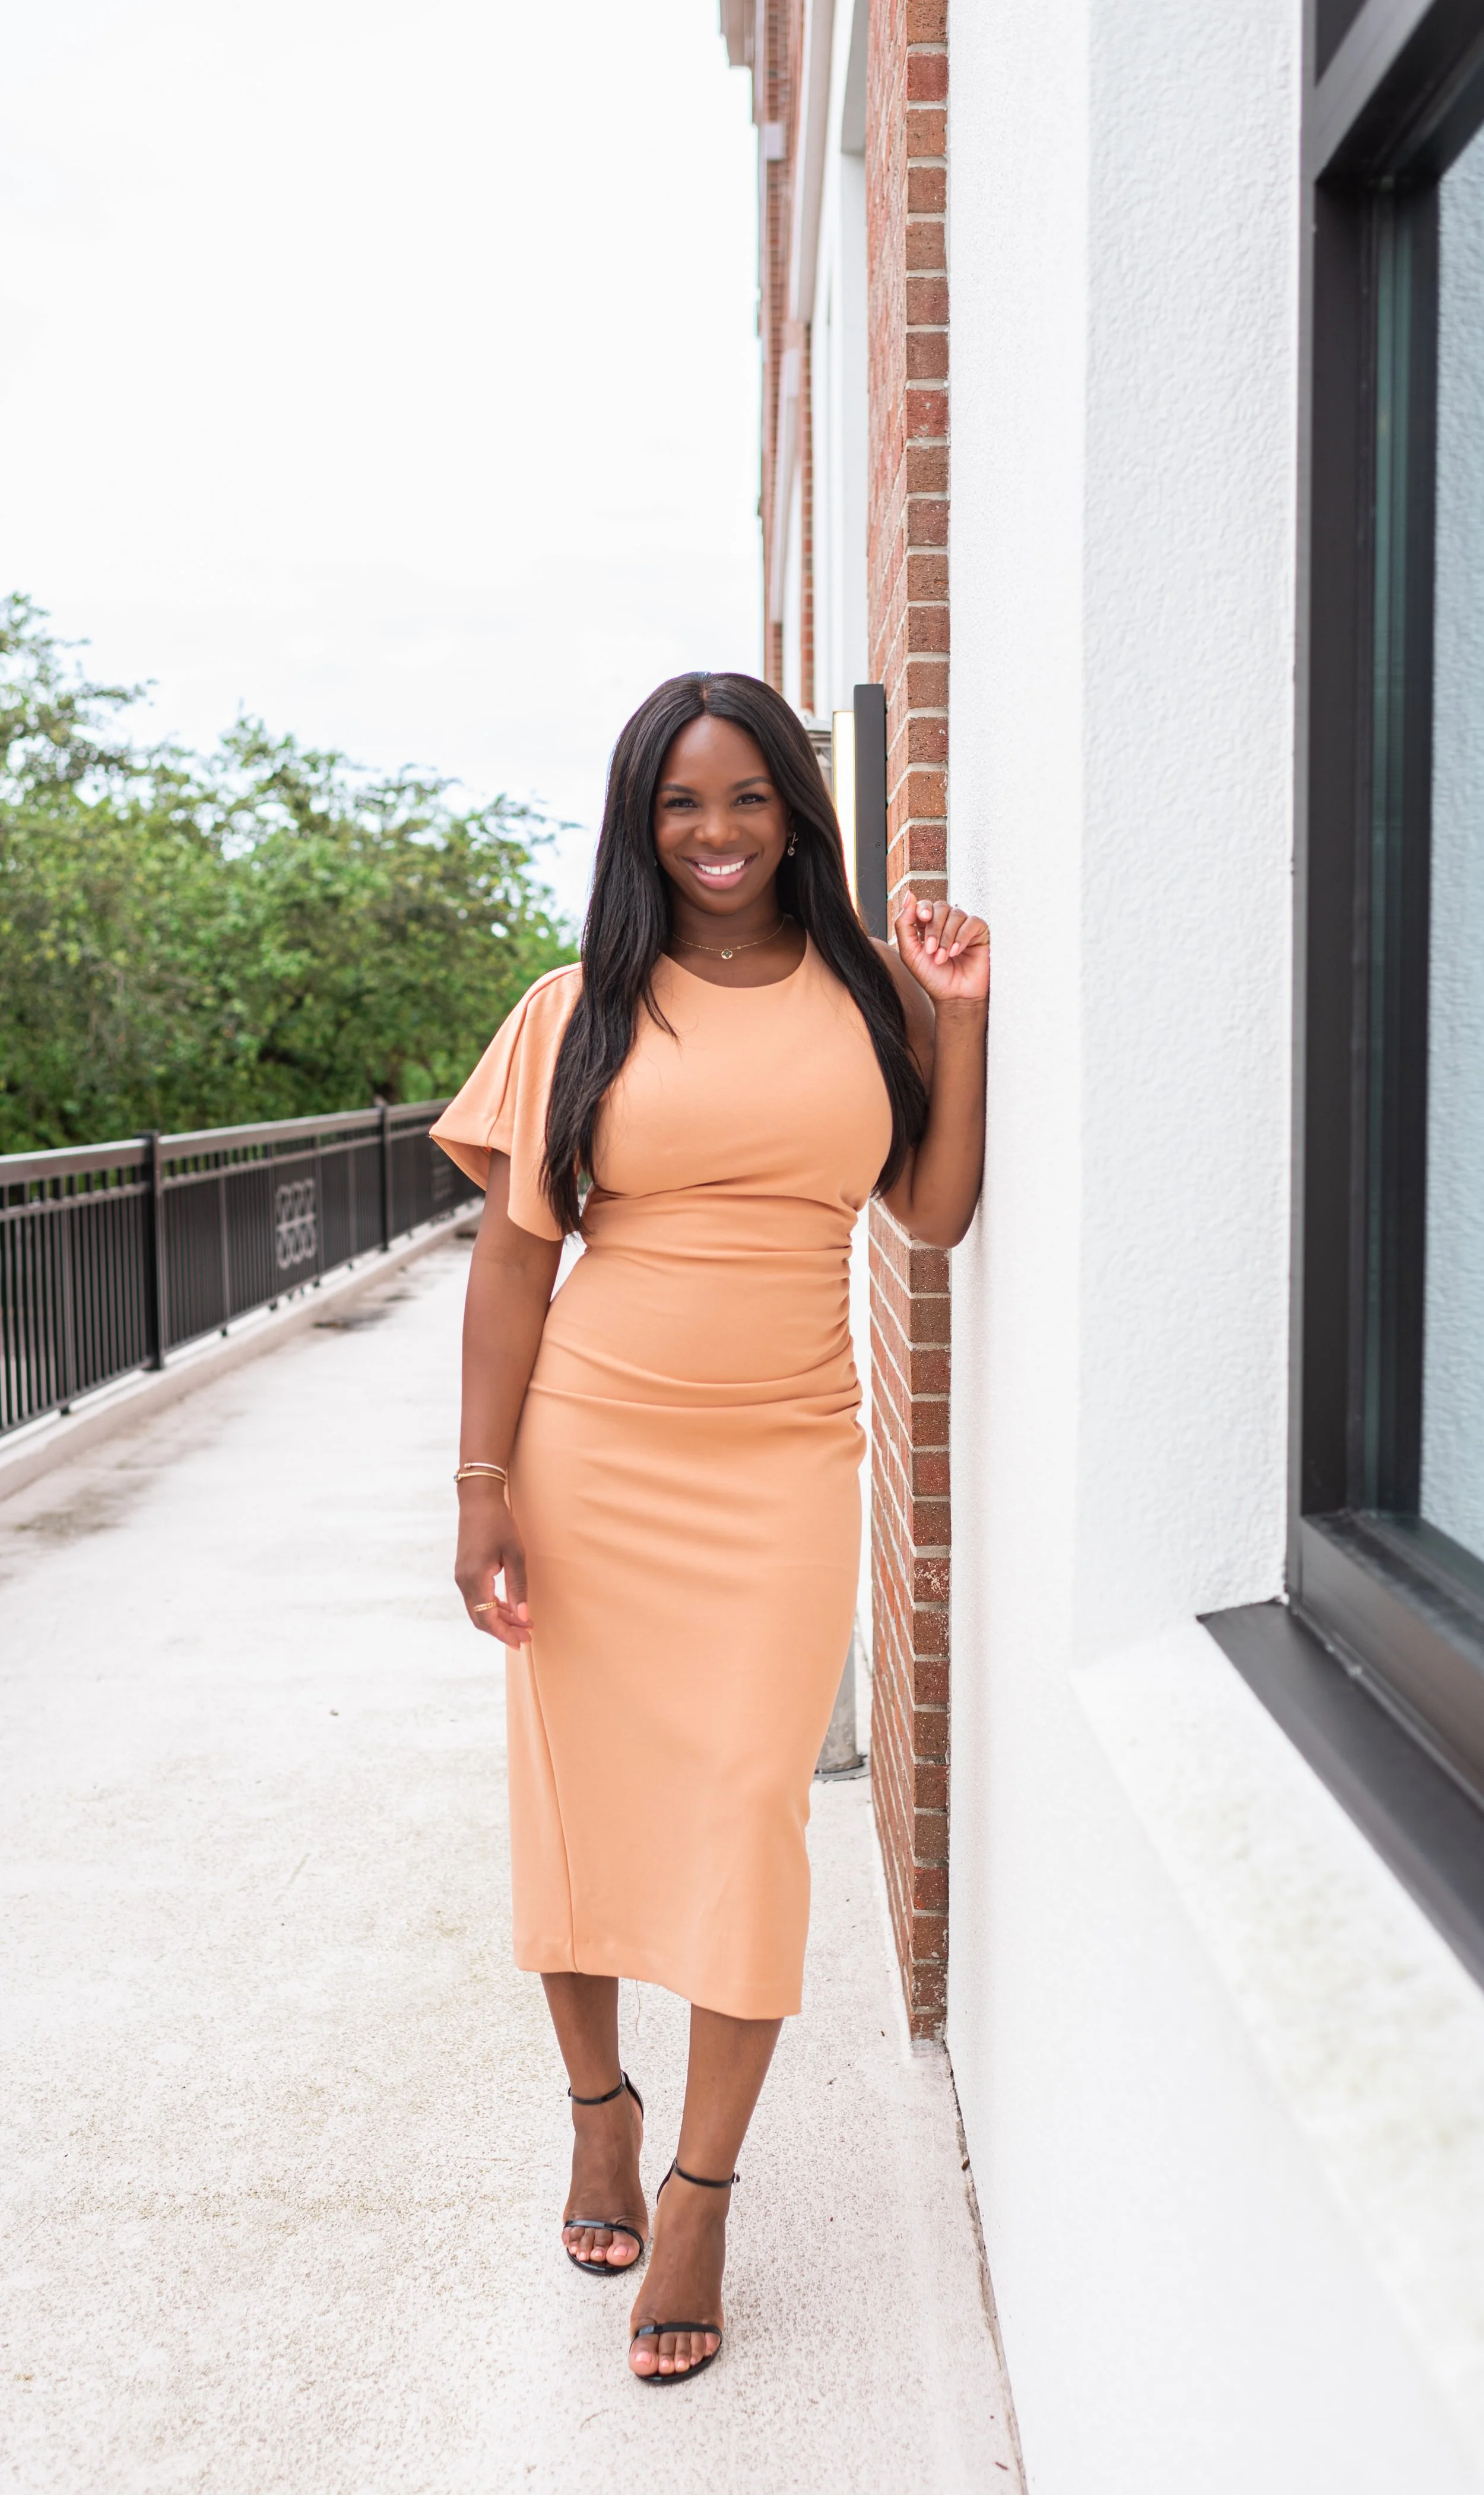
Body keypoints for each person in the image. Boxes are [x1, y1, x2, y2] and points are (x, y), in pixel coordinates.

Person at [431, 670, 987, 2385]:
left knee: (747, 1812)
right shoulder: (574, 1008)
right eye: (681, 804)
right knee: (584, 1797)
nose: (717, 832)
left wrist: (955, 1021)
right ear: (639, 825)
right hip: (593, 1450)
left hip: (784, 1460)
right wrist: (481, 1491)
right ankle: (599, 2111)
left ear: (793, 813)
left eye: (746, 797)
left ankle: (698, 2192)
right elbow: (516, 1265)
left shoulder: (864, 997)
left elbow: (935, 1212)